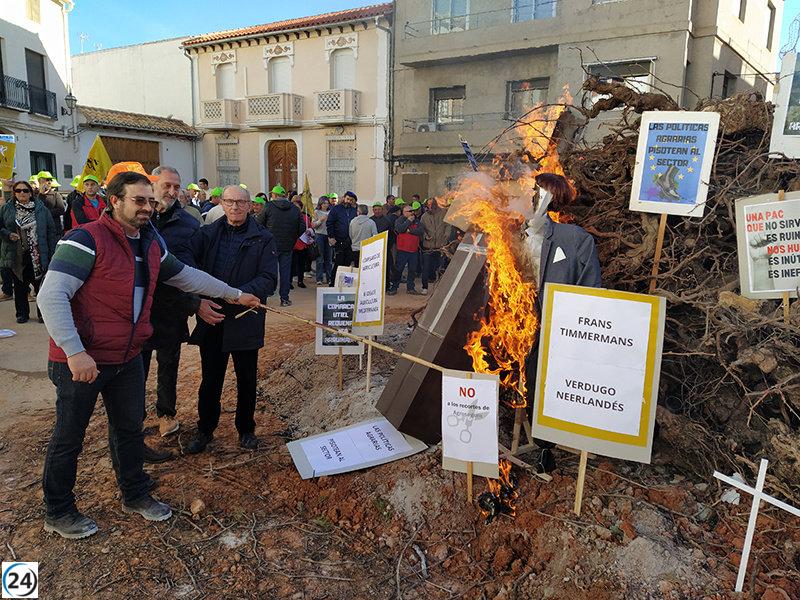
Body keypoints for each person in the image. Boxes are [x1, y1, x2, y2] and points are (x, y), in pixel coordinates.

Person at [36, 171, 261, 539]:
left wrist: (235, 294)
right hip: (81, 361)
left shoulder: (150, 245)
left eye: (150, 202)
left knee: (129, 430)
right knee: (69, 437)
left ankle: (135, 494)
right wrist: (75, 352)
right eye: (138, 201)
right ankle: (58, 510)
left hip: (126, 357)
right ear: (115, 202)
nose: (146, 208)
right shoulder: (85, 240)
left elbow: (189, 277)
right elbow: (51, 296)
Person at [186, 185, 278, 454]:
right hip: (212, 315)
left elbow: (268, 279)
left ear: (251, 205)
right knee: (210, 379)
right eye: (229, 202)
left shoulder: (263, 238)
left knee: (246, 379)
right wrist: (199, 298)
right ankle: (205, 430)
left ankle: (246, 430)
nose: (235, 207)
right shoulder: (207, 235)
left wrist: (239, 296)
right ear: (221, 204)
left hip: (245, 316)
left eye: (240, 202)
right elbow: (189, 267)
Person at [141, 165, 201, 443]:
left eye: (177, 187)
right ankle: (133, 419)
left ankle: (166, 414)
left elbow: (192, 266)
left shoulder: (188, 223)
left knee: (168, 364)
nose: (172, 191)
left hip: (170, 307)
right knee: (134, 369)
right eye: (167, 185)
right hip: (137, 308)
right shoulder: (136, 219)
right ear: (153, 184)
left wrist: (193, 302)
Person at [0, 180, 58, 323]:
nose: (22, 193)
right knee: (20, 285)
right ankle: (22, 314)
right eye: (18, 191)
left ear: (31, 193)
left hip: (38, 253)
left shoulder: (41, 209)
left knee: (41, 286)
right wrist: (8, 234)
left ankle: (42, 314)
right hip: (17, 253)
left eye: (25, 190)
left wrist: (52, 253)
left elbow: (51, 231)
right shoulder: (7, 209)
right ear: (14, 193)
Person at [258, 185, 304, 307]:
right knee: (285, 272)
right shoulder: (295, 209)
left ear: (274, 195)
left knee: (268, 271)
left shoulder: (268, 206)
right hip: (288, 245)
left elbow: (259, 224)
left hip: (270, 245)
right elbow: (302, 227)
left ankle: (267, 295)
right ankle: (284, 298)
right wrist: (293, 238)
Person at [388, 204, 423, 295]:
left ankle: (410, 288)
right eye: (410, 211)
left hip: (413, 250)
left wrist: (410, 231)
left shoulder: (417, 221)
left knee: (412, 270)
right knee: (399, 269)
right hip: (402, 250)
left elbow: (420, 231)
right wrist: (408, 221)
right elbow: (399, 229)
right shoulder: (399, 220)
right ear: (404, 213)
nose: (412, 213)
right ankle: (394, 287)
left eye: (413, 211)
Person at [420, 197, 452, 294]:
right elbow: (422, 229)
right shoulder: (424, 216)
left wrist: (445, 238)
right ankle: (424, 287)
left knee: (440, 267)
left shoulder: (443, 213)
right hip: (428, 247)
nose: (431, 206)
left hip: (440, 246)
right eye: (428, 205)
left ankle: (439, 288)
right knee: (426, 268)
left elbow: (448, 226)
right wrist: (425, 236)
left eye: (432, 204)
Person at [326, 190, 357, 282]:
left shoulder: (354, 210)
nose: (349, 201)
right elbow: (329, 223)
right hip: (339, 240)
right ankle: (333, 282)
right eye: (347, 199)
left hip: (350, 241)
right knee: (338, 262)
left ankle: (343, 283)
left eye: (351, 200)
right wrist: (331, 237)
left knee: (347, 263)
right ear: (344, 198)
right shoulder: (336, 209)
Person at [291, 197, 313, 289]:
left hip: (303, 243)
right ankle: (289, 282)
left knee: (301, 264)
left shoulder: (306, 217)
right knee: (292, 264)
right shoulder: (289, 216)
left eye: (298, 207)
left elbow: (311, 228)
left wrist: (310, 231)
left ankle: (300, 280)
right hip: (292, 244)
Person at [36, 171, 65, 237]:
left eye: (50, 180)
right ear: (40, 182)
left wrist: (46, 212)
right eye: (47, 180)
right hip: (42, 230)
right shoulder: (36, 196)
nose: (49, 182)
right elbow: (36, 210)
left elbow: (61, 210)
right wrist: (41, 194)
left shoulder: (56, 195)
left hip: (55, 229)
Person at [312, 196, 332, 285]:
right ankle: (319, 278)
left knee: (329, 258)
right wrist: (320, 220)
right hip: (319, 235)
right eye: (324, 203)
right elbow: (313, 225)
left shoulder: (331, 212)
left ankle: (329, 278)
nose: (326, 205)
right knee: (320, 258)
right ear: (320, 204)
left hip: (328, 236)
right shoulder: (316, 212)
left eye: (327, 203)